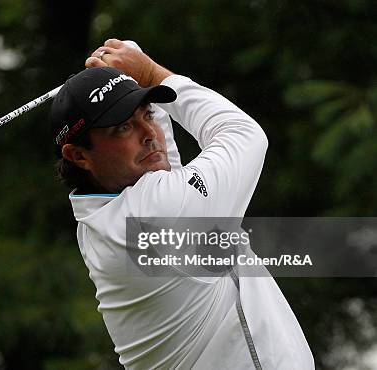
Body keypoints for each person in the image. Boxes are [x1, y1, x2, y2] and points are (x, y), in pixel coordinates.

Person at [49, 39, 314, 369]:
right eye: (123, 127)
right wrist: (150, 71)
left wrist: (131, 69)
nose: (150, 132)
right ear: (79, 156)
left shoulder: (105, 216)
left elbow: (162, 163)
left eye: (147, 114)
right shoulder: (154, 215)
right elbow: (244, 135)